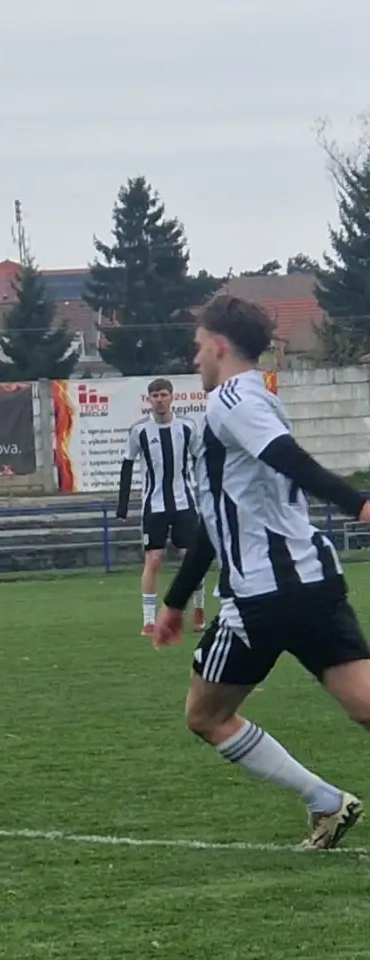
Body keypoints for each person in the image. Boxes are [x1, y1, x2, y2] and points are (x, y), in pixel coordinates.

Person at [154, 294, 369, 849]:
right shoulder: (261, 398)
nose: (195, 358)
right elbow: (221, 516)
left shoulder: (229, 400)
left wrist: (359, 504)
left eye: (199, 347)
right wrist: (177, 599)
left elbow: (287, 459)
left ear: (218, 346)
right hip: (315, 578)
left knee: (206, 716)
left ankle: (326, 801)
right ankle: (327, 804)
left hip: (263, 595)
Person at [117, 377, 206, 635]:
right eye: (155, 395)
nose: (159, 400)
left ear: (171, 397)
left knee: (190, 558)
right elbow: (127, 465)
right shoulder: (139, 430)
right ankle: (148, 620)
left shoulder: (187, 427)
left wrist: (207, 495)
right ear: (149, 399)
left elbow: (200, 461)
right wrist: (122, 507)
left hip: (184, 503)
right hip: (154, 505)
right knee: (153, 560)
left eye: (163, 394)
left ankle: (199, 610)